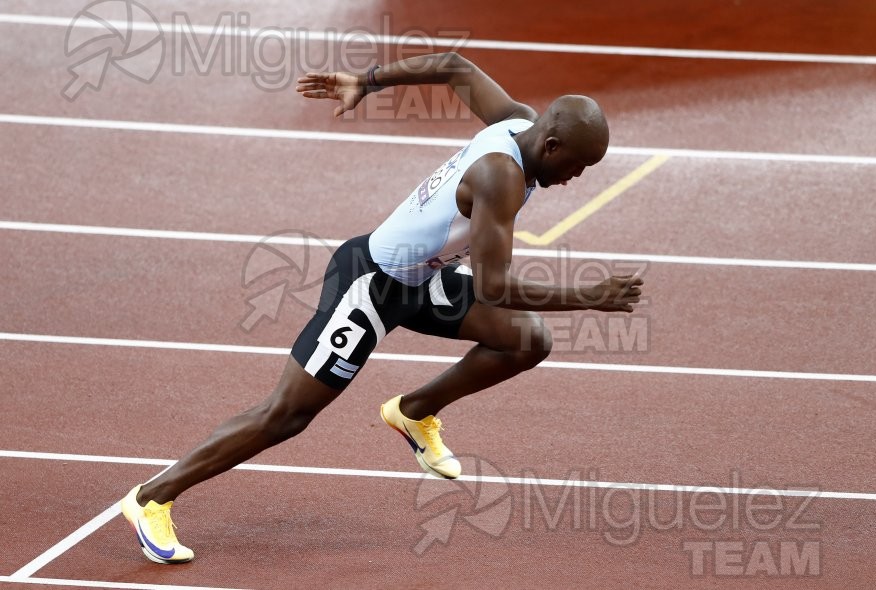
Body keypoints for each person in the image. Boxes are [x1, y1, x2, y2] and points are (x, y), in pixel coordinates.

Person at [120, 51, 643, 564]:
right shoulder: (500, 177)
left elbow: (455, 65)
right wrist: (590, 298)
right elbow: (493, 285)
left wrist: (365, 81)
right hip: (369, 284)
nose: (578, 176)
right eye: (578, 165)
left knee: (528, 339)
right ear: (552, 144)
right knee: (286, 414)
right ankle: (151, 498)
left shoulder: (516, 121)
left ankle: (413, 413)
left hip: (422, 280)